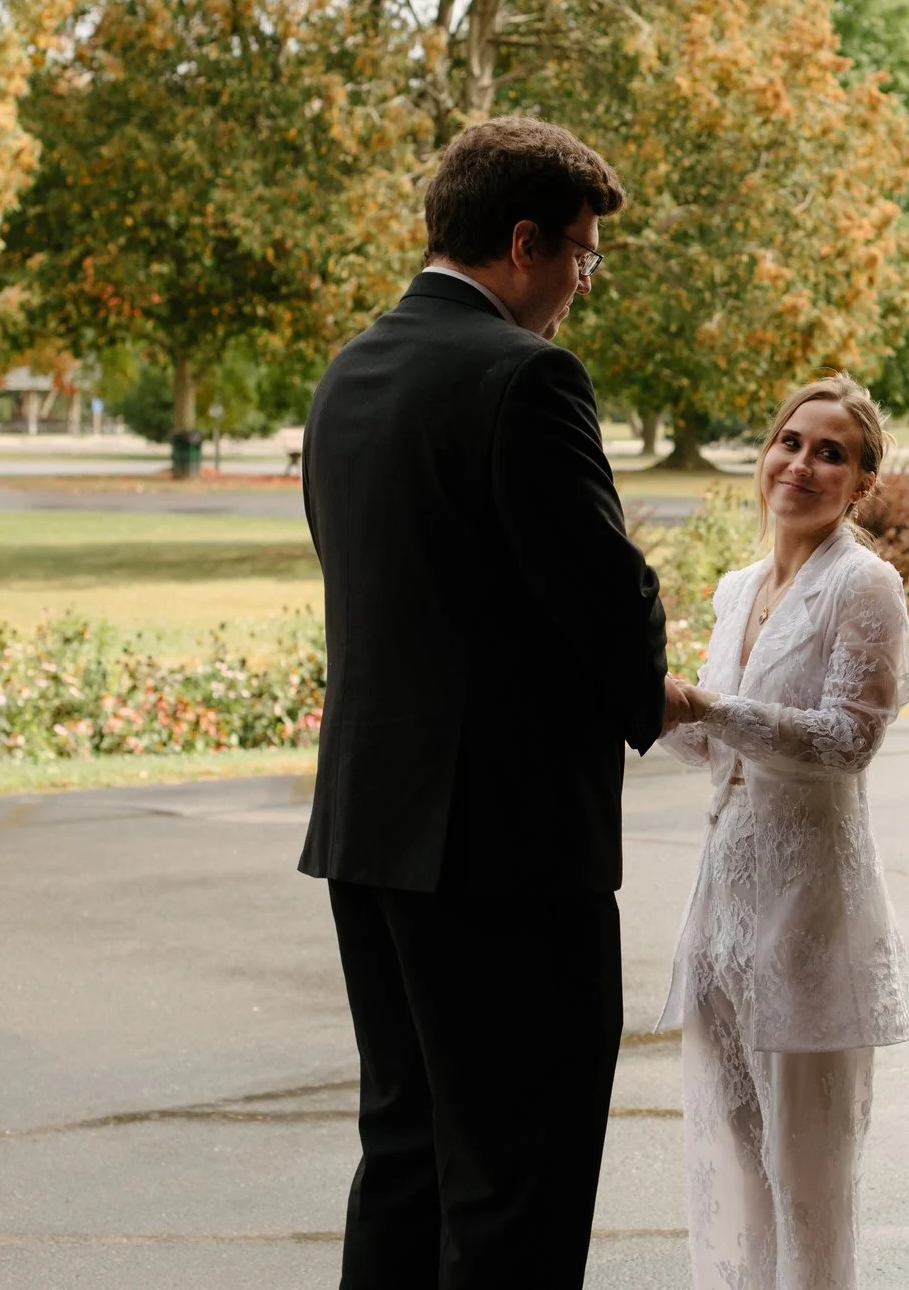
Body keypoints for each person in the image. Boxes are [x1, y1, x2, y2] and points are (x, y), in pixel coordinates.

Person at [300, 116, 676, 1288]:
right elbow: (607, 595)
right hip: (506, 847)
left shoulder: (351, 368)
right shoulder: (525, 374)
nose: (581, 282)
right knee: (519, 1177)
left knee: (406, 1155)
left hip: (374, 833)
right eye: (581, 253)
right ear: (522, 240)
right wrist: (647, 688)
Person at [660, 374, 909, 1290]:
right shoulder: (737, 588)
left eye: (830, 452)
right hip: (725, 907)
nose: (801, 463)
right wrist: (645, 698)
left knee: (806, 1172)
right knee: (731, 1165)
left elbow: (851, 739)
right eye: (789, 441)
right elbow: (705, 744)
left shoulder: (866, 586)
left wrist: (712, 705)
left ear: (862, 484)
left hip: (812, 917)